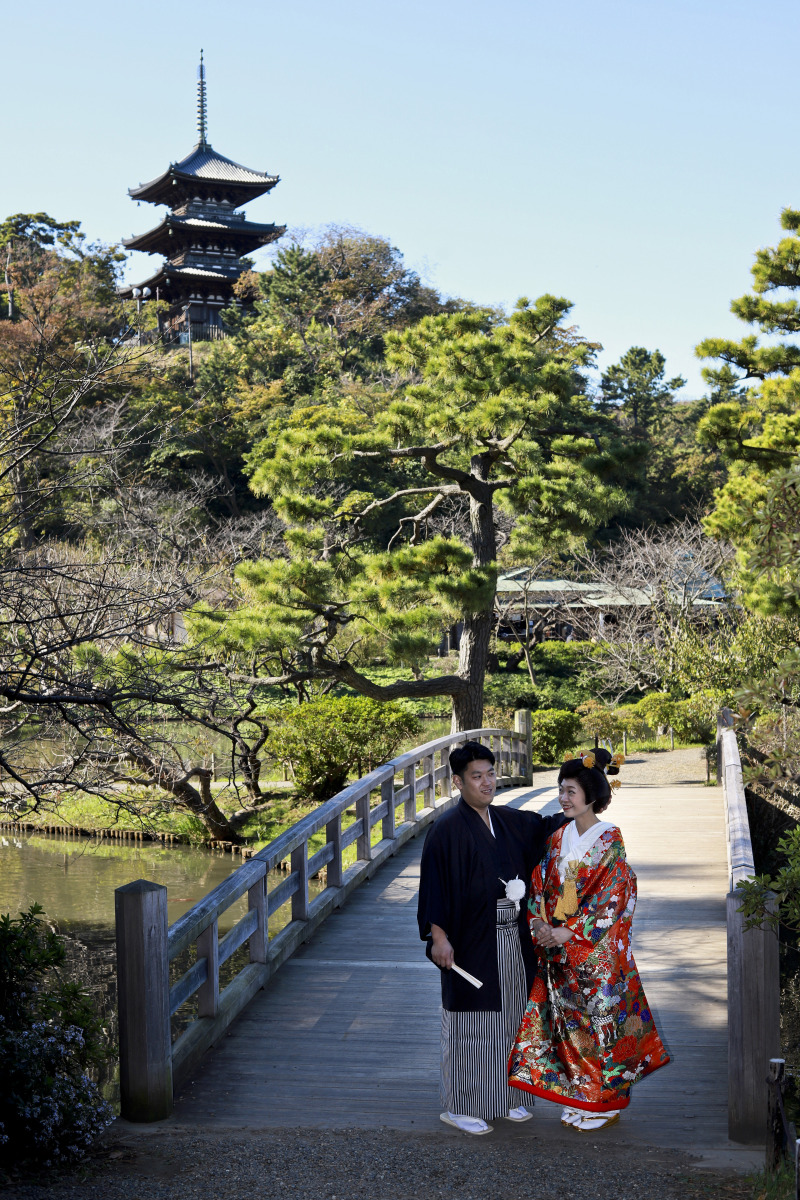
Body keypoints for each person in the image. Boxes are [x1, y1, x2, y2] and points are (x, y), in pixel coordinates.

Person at [508, 748, 669, 1131]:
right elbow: (539, 886)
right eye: (561, 790)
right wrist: (539, 925)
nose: (563, 798)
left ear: (592, 797)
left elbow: (613, 895)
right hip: (559, 950)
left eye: (571, 791)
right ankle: (584, 1096)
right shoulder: (557, 838)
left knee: (602, 1026)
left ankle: (607, 1102)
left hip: (596, 953)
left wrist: (569, 931)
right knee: (571, 1027)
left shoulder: (609, 840)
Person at [417, 739, 568, 1135]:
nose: (487, 783)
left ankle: (508, 1097)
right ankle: (459, 1103)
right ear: (458, 782)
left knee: (513, 1015)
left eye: (490, 774)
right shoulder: (446, 830)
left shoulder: (509, 820)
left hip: (513, 937)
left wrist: (580, 804)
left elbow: (548, 828)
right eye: (477, 777)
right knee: (471, 1023)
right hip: (469, 940)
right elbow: (433, 887)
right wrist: (438, 937)